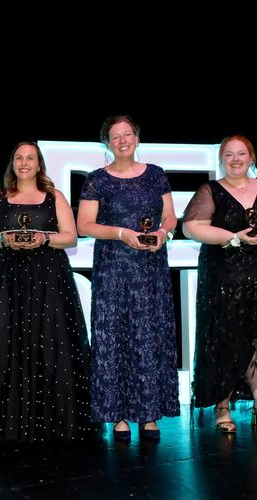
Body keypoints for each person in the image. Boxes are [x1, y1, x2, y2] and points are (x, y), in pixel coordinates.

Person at [0, 141, 93, 442]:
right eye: (19, 157)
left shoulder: (54, 196)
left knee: (51, 344)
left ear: (39, 163)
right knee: (4, 343)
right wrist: (4, 240)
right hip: (7, 279)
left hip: (49, 279)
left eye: (30, 158)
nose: (24, 163)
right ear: (12, 163)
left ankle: (53, 422)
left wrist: (43, 238)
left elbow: (71, 237)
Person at [183, 135, 257, 433]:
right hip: (224, 276)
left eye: (242, 153)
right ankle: (222, 407)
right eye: (229, 154)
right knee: (224, 337)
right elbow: (191, 227)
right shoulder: (211, 190)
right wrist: (234, 237)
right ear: (221, 159)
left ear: (252, 157)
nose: (236, 159)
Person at [76, 115, 179, 442]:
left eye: (128, 134)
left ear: (137, 137)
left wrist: (163, 233)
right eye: (116, 136)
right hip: (113, 269)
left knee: (148, 335)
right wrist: (122, 233)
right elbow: (84, 225)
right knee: (116, 337)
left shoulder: (156, 174)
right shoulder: (96, 179)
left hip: (150, 269)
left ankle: (149, 414)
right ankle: (118, 415)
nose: (123, 140)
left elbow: (170, 216)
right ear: (106, 142)